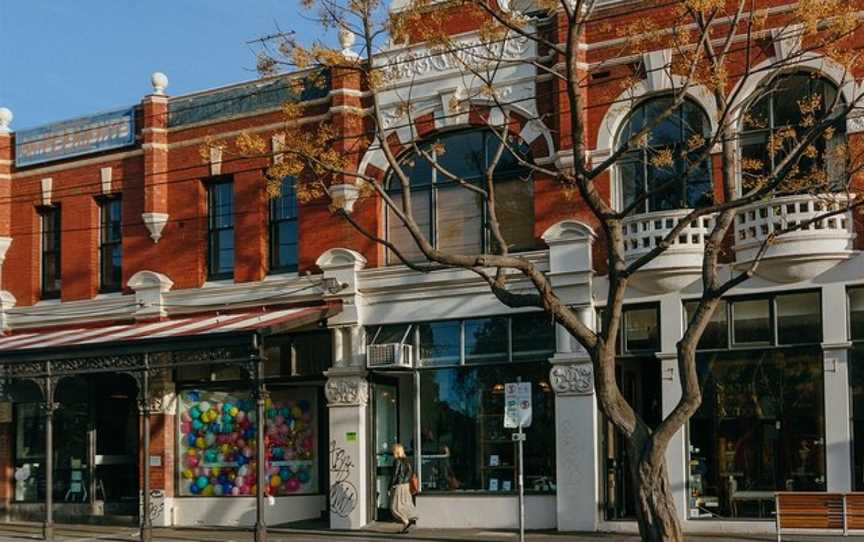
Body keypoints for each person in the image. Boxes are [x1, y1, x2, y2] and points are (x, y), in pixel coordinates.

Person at [390, 443, 418, 533]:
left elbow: (395, 475)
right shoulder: (407, 460)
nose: (392, 453)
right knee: (404, 504)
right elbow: (410, 472)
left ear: (396, 452)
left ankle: (406, 521)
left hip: (399, 486)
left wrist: (390, 486)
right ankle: (409, 520)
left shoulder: (397, 461)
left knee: (394, 507)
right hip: (406, 485)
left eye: (393, 451)